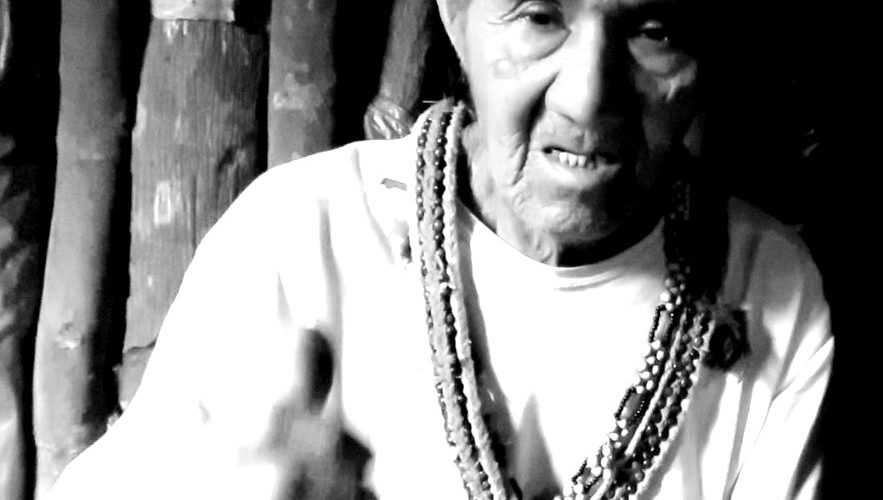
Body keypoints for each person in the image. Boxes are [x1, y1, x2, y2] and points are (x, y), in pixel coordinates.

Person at [48, 0, 832, 498]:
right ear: (456, 17)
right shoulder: (300, 236)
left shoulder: (768, 290)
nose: (588, 95)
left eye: (654, 30)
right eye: (538, 17)